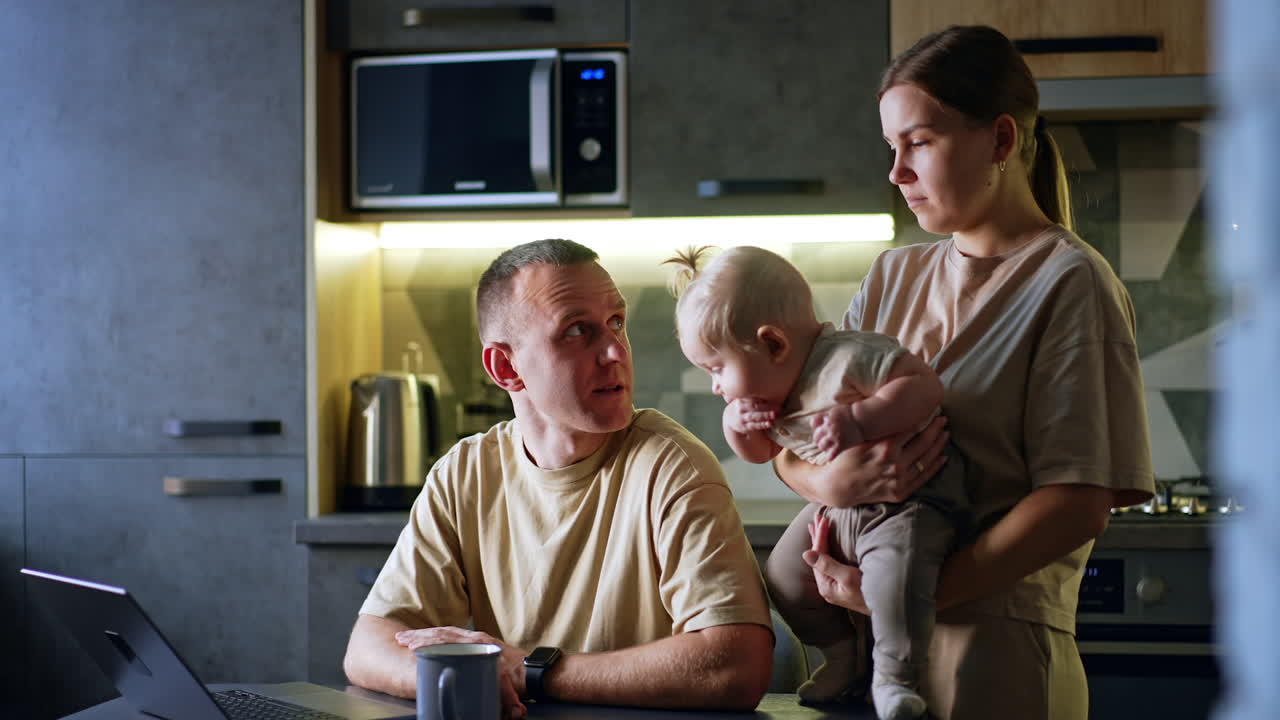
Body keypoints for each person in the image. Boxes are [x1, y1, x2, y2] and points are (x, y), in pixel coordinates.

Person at [766, 24, 1155, 720]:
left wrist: (900, 593)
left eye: (918, 141)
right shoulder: (892, 275)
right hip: (875, 650)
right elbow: (794, 445)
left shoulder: (1071, 282)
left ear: (1000, 141)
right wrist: (828, 480)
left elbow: (1077, 502)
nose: (896, 171)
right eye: (891, 147)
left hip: (995, 659)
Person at [342, 239, 774, 719]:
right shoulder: (464, 474)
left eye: (615, 322)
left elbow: (736, 666)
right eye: (576, 331)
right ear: (506, 367)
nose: (614, 350)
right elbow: (366, 648)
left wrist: (529, 671)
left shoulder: (672, 467)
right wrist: (467, 676)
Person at [668, 245, 970, 720]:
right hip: (834, 509)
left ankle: (895, 678)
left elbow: (922, 386)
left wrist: (859, 421)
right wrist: (737, 428)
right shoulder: (774, 391)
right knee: (784, 577)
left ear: (773, 344)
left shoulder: (850, 357)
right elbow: (763, 453)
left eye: (717, 368)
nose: (716, 386)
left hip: (909, 502)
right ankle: (842, 655)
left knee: (895, 582)